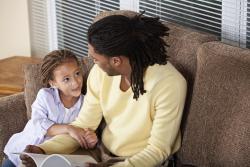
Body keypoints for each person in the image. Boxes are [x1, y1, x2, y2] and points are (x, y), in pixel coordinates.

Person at [20, 13, 187, 167]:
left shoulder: (169, 84)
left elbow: (158, 150)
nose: (93, 64)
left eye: (95, 59)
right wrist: (44, 150)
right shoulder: (100, 74)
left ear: (116, 61)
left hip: (145, 161)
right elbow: (84, 125)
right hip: (103, 156)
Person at [2, 49, 98, 167]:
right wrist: (69, 128)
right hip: (19, 153)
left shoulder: (86, 103)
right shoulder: (45, 96)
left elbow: (83, 132)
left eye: (77, 73)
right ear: (53, 83)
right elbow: (39, 123)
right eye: (66, 79)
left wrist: (90, 140)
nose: (76, 83)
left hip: (49, 159)